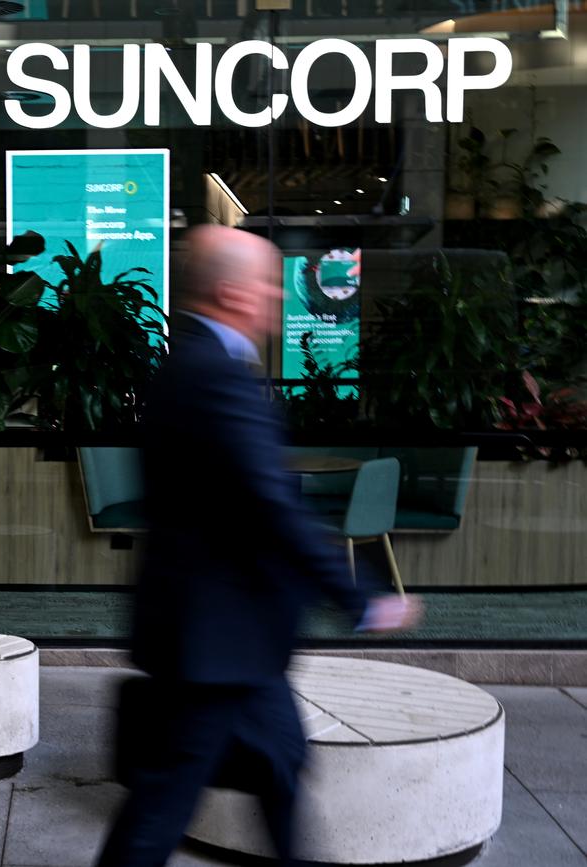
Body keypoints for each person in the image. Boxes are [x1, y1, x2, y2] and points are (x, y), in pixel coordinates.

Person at [96, 225, 421, 867]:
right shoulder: (214, 374)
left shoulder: (190, 362)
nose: (277, 295)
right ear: (232, 293)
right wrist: (359, 598)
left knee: (279, 768)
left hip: (230, 633)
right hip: (214, 640)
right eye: (268, 283)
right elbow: (270, 503)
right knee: (162, 808)